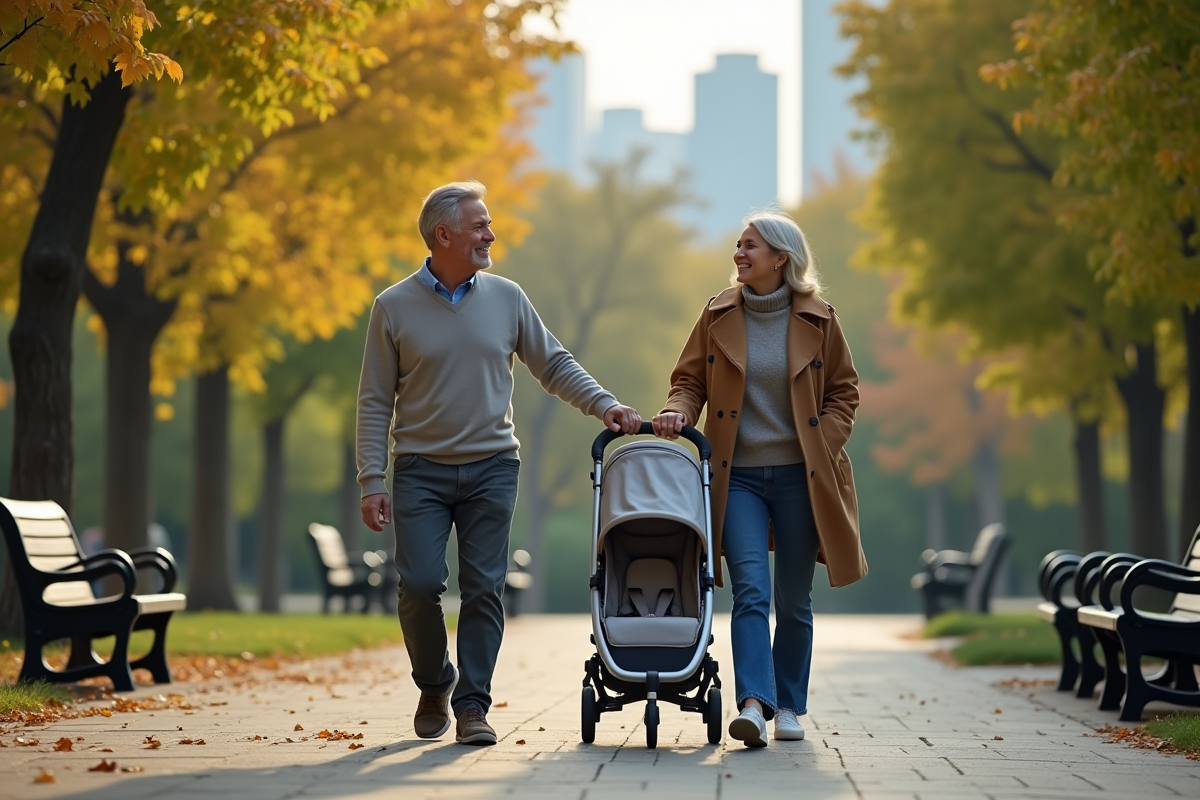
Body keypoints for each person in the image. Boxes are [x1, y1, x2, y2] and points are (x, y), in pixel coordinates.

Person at [356, 181, 642, 746]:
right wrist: (372, 479)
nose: (491, 234)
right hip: (420, 469)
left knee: (484, 588)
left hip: (492, 466)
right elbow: (373, 400)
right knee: (417, 585)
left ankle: (472, 706)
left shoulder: (507, 297)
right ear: (444, 235)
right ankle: (435, 683)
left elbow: (553, 363)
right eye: (479, 225)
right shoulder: (392, 306)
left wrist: (604, 404)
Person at [652, 210, 866, 748]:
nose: (739, 254)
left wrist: (825, 442)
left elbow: (845, 392)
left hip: (803, 478)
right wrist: (678, 411)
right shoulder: (718, 313)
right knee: (750, 591)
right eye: (738, 245)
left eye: (750, 246)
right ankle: (753, 702)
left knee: (794, 599)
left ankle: (789, 705)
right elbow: (689, 380)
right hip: (738, 477)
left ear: (781, 258)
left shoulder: (820, 318)